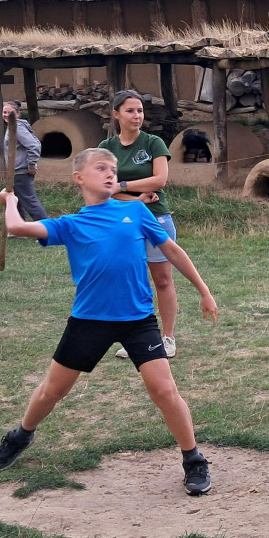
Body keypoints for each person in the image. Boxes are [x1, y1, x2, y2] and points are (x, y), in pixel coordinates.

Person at [0, 147, 218, 495]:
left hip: (138, 319)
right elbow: (17, 227)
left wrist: (204, 290)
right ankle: (20, 435)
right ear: (79, 178)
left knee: (164, 390)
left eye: (113, 169)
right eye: (101, 168)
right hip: (89, 321)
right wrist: (10, 201)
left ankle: (193, 459)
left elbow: (172, 250)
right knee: (53, 390)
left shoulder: (135, 211)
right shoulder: (70, 224)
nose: (111, 174)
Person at [100, 90, 179, 359]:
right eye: (130, 111)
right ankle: (137, 339)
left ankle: (167, 338)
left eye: (140, 111)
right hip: (122, 222)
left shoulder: (153, 143)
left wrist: (122, 185)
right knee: (131, 281)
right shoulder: (106, 148)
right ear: (116, 114)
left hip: (156, 219)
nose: (137, 116)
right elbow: (103, 189)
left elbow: (159, 181)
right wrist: (135, 199)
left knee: (163, 280)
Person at [3, 100, 48, 220]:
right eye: (4, 112)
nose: (6, 115)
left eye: (10, 112)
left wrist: (31, 164)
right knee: (16, 201)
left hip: (21, 171)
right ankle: (18, 226)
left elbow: (34, 145)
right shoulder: (12, 126)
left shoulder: (17, 127)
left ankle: (46, 228)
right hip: (14, 172)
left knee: (30, 203)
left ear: (17, 114)